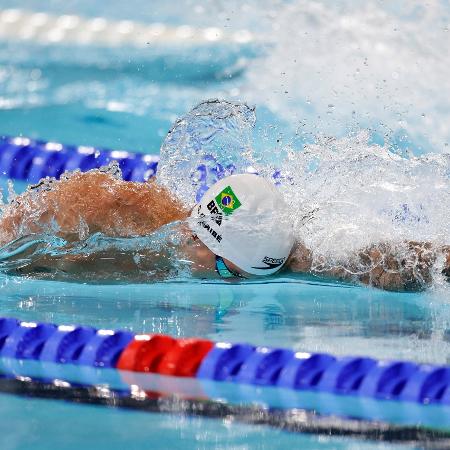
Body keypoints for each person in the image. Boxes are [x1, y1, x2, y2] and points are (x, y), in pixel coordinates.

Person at [0, 168, 448, 291]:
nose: (226, 279)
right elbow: (65, 197)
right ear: (198, 239)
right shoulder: (125, 216)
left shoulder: (257, 249)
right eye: (224, 273)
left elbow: (366, 264)